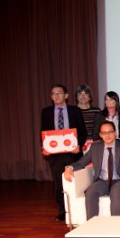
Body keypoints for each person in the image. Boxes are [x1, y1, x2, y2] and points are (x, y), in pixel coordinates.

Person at [64, 121, 120, 238]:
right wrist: (70, 168)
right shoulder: (95, 147)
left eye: (110, 132)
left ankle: (116, 234)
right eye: (104, 133)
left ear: (115, 133)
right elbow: (82, 162)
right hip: (101, 181)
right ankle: (91, 234)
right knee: (90, 191)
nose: (108, 135)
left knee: (116, 191)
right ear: (100, 135)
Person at [40, 84, 87, 221]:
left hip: (73, 153)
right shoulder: (46, 112)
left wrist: (79, 145)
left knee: (75, 182)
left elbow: (82, 131)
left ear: (66, 96)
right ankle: (63, 212)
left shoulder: (75, 110)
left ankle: (77, 210)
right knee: (59, 183)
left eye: (59, 93)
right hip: (55, 155)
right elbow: (43, 132)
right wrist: (45, 148)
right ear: (51, 97)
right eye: (53, 93)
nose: (56, 96)